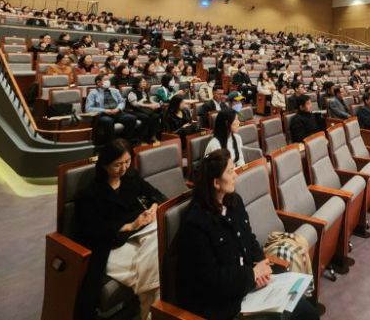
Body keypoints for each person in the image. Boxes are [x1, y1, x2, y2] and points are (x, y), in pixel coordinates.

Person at [176, 149, 319, 320]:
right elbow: (211, 280)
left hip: (247, 288)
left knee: (307, 311)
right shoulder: (196, 223)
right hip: (223, 305)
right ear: (216, 183)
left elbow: (249, 239)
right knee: (288, 316)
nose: (235, 175)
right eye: (230, 171)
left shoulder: (234, 202)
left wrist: (261, 263)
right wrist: (251, 276)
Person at [73, 139, 166, 320]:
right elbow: (93, 230)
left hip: (138, 235)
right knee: (156, 274)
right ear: (104, 165)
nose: (124, 168)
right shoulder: (90, 194)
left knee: (158, 240)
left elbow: (154, 193)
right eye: (117, 165)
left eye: (127, 162)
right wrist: (131, 225)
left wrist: (154, 207)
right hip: (110, 245)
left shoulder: (130, 176)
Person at [85, 74, 142, 143]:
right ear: (98, 82)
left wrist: (118, 108)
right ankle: (112, 143)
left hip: (116, 112)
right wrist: (105, 111)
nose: (108, 81)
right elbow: (88, 108)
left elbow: (122, 101)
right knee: (108, 121)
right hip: (103, 114)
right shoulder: (93, 93)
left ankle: (125, 141)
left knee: (132, 118)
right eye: (105, 80)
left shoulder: (115, 91)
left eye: (108, 79)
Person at [126, 78, 162, 142]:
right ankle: (140, 137)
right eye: (142, 82)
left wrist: (155, 104)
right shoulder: (132, 93)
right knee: (146, 117)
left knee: (156, 116)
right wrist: (149, 106)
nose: (144, 83)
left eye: (145, 82)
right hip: (133, 110)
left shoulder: (144, 91)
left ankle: (152, 136)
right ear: (137, 83)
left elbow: (149, 100)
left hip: (143, 110)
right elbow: (135, 104)